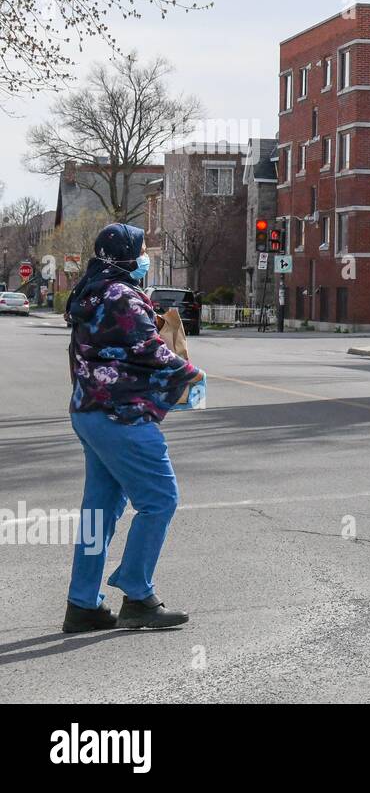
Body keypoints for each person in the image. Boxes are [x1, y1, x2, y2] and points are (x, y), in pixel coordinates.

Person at [61, 223, 202, 633]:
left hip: (89, 410)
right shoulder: (122, 295)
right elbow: (151, 351)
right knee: (160, 499)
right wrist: (193, 374)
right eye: (140, 249)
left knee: (98, 511)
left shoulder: (90, 290)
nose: (143, 255)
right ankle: (138, 595)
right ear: (125, 254)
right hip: (121, 414)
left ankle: (83, 603)